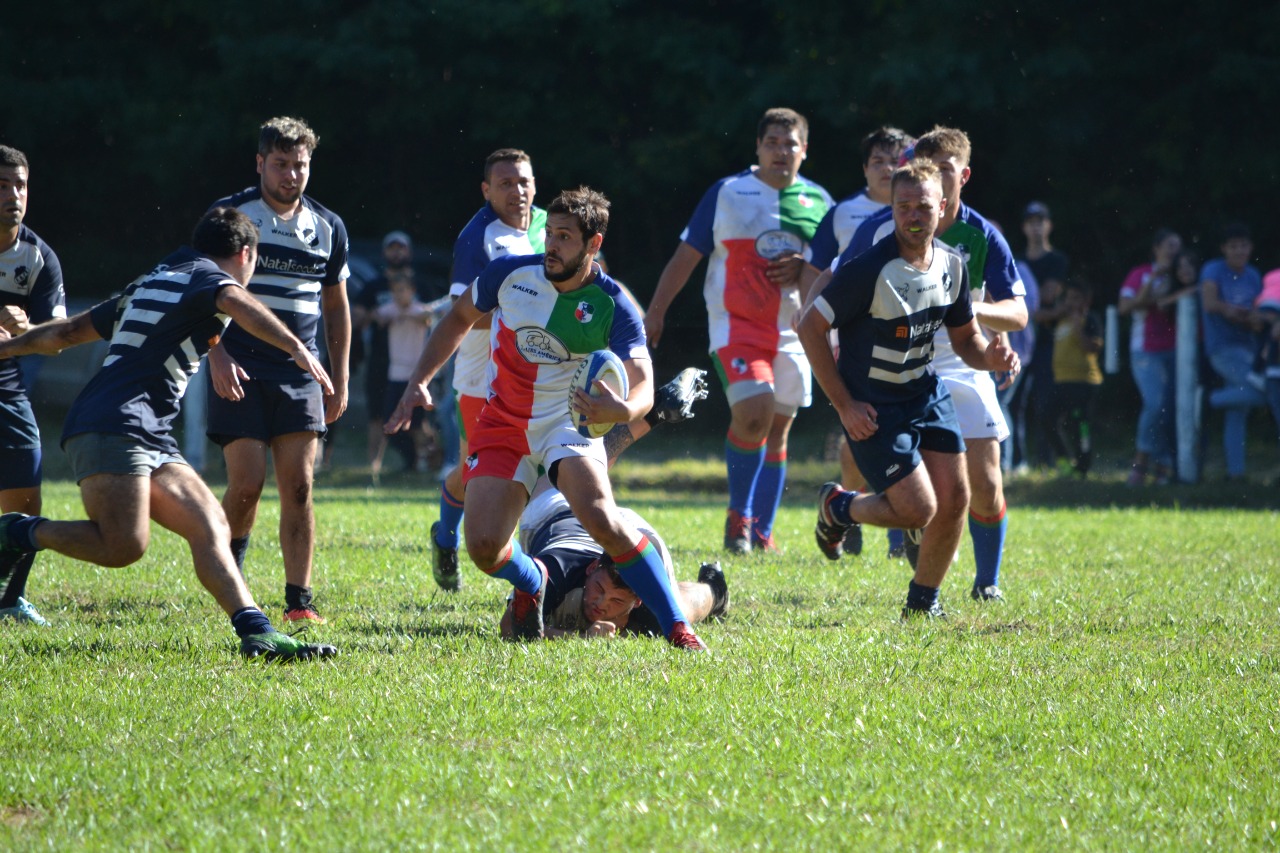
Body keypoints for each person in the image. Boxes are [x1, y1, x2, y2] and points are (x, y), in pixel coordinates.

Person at [0, 207, 337, 660]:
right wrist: (295, 346)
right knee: (123, 545)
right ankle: (17, 531)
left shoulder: (155, 278)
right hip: (114, 422)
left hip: (146, 427)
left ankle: (258, 632)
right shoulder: (209, 278)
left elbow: (69, 331)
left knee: (210, 523)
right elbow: (235, 300)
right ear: (245, 254)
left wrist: (7, 347)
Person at [387, 187, 706, 651]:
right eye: (550, 233)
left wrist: (623, 410)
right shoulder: (509, 274)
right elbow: (456, 318)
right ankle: (532, 581)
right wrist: (419, 379)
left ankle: (678, 627)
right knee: (484, 548)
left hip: (566, 423)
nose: (551, 245)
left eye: (565, 237)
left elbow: (642, 380)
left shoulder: (613, 303)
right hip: (504, 422)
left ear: (593, 244)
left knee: (601, 518)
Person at [798, 159, 1019, 618]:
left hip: (924, 392)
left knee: (955, 499)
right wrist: (845, 405)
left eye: (922, 207)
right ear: (892, 208)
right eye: (903, 207)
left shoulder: (953, 266)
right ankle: (840, 507)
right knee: (918, 510)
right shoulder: (868, 269)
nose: (913, 216)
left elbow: (967, 342)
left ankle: (923, 604)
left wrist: (991, 359)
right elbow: (809, 328)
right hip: (873, 406)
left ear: (943, 206)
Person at [645, 107, 833, 554]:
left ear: (804, 150)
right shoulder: (728, 191)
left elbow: (832, 270)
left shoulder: (820, 202)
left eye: (790, 144)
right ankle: (739, 521)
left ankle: (762, 532)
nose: (781, 152)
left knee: (778, 428)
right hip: (736, 325)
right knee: (753, 413)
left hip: (795, 329)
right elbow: (686, 255)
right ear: (758, 147)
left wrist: (805, 267)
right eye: (772, 143)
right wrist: (656, 311)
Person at [205, 116, 351, 625]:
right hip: (240, 366)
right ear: (260, 163)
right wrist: (216, 353)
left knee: (300, 486)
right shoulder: (231, 217)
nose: (291, 175)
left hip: (299, 370)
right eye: (281, 164)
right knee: (247, 484)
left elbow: (336, 307)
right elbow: (201, 291)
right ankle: (229, 578)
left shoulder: (328, 226)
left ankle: (299, 602)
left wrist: (340, 377)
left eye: (300, 165)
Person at [431, 149, 547, 592]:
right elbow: (463, 313)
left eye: (524, 181)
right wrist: (523, 312)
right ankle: (445, 536)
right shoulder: (476, 235)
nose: (517, 191)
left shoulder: (550, 226)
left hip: (538, 375)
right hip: (482, 377)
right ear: (486, 190)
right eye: (505, 184)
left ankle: (532, 576)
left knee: (537, 469)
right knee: (474, 471)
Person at [805, 126, 913, 557]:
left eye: (895, 161)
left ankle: (895, 528)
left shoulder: (926, 211)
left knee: (903, 429)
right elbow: (820, 270)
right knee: (865, 428)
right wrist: (811, 317)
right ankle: (850, 504)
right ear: (865, 168)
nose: (887, 169)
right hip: (854, 336)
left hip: (912, 339)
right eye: (877, 161)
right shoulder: (847, 215)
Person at [498, 483, 728, 641]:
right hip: (553, 511)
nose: (600, 603)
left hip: (628, 525)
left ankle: (715, 589)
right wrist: (581, 638)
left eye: (617, 600)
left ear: (638, 601)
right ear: (592, 569)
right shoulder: (554, 572)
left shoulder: (648, 607)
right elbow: (509, 627)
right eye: (599, 588)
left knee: (679, 612)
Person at [0, 145, 66, 626]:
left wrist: (27, 331)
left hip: (7, 388)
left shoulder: (39, 257)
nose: (13, 195)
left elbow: (57, 339)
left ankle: (10, 600)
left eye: (19, 185)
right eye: (2, 186)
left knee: (27, 498)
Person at [1117, 229, 1185, 486]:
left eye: (1177, 246)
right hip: (1146, 349)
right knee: (1155, 404)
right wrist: (1154, 281)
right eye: (1169, 245)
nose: (1173, 251)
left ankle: (1162, 464)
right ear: (1156, 248)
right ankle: (1142, 460)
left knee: (1170, 409)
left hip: (1178, 350)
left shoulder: (1182, 275)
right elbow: (1125, 307)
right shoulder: (1141, 273)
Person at [1200, 222, 1265, 481]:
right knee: (1261, 391)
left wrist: (1251, 319)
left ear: (1250, 248)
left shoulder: (1253, 275)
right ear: (1224, 249)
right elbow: (1209, 303)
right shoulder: (1213, 269)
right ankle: (1207, 401)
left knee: (1238, 409)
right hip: (1223, 347)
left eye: (1243, 246)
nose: (1239, 251)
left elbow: (1258, 315)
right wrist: (1229, 311)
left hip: (1248, 346)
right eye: (1234, 246)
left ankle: (1235, 473)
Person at [352, 230, 414, 480]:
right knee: (377, 414)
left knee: (417, 415)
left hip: (414, 361)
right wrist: (375, 315)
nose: (396, 252)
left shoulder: (419, 285)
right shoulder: (373, 286)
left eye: (401, 248)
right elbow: (356, 318)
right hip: (381, 359)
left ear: (408, 251)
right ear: (384, 252)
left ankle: (422, 462)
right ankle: (374, 467)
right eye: (392, 248)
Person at [371, 268, 437, 479]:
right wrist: (395, 315)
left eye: (402, 290)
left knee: (418, 424)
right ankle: (405, 460)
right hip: (395, 375)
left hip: (416, 377)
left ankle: (426, 459)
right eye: (395, 291)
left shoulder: (419, 310)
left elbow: (427, 316)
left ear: (412, 291)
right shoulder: (390, 310)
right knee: (390, 421)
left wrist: (408, 315)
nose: (398, 295)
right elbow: (378, 315)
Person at [1020, 201, 1070, 469]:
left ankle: (1046, 461)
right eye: (1031, 222)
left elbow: (1047, 297)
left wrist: (1024, 307)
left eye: (1040, 221)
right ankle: (1016, 461)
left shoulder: (1057, 261)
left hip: (1048, 342)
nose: (1036, 227)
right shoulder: (1017, 261)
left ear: (1049, 225)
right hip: (1018, 342)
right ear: (1024, 227)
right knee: (1015, 404)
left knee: (1045, 403)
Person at [1051, 280, 1103, 476]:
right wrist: (1059, 312)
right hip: (1061, 380)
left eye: (1076, 298)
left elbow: (1093, 348)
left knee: (1080, 425)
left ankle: (1083, 466)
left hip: (1084, 381)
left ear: (1086, 301)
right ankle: (1065, 459)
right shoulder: (1059, 319)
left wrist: (1077, 326)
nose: (1071, 302)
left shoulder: (1090, 319)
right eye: (1068, 298)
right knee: (1048, 418)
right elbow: (1037, 316)